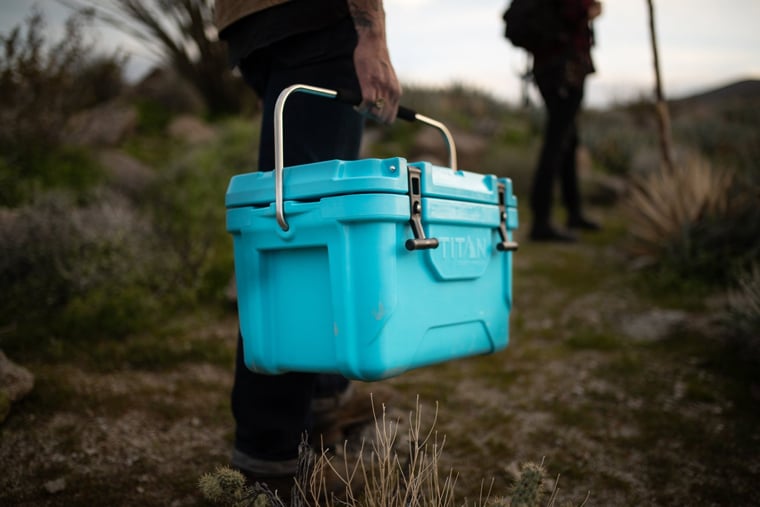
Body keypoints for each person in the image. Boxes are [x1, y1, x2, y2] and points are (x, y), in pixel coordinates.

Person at [213, 0, 401, 493]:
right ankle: (268, 455)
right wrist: (372, 35)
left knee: (303, 226)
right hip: (315, 18)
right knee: (299, 238)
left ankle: (320, 402)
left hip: (253, 28)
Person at [528, 0, 602, 242]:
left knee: (568, 140)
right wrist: (591, 9)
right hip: (565, 70)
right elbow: (575, 11)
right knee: (556, 141)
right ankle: (541, 221)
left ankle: (573, 211)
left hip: (551, 68)